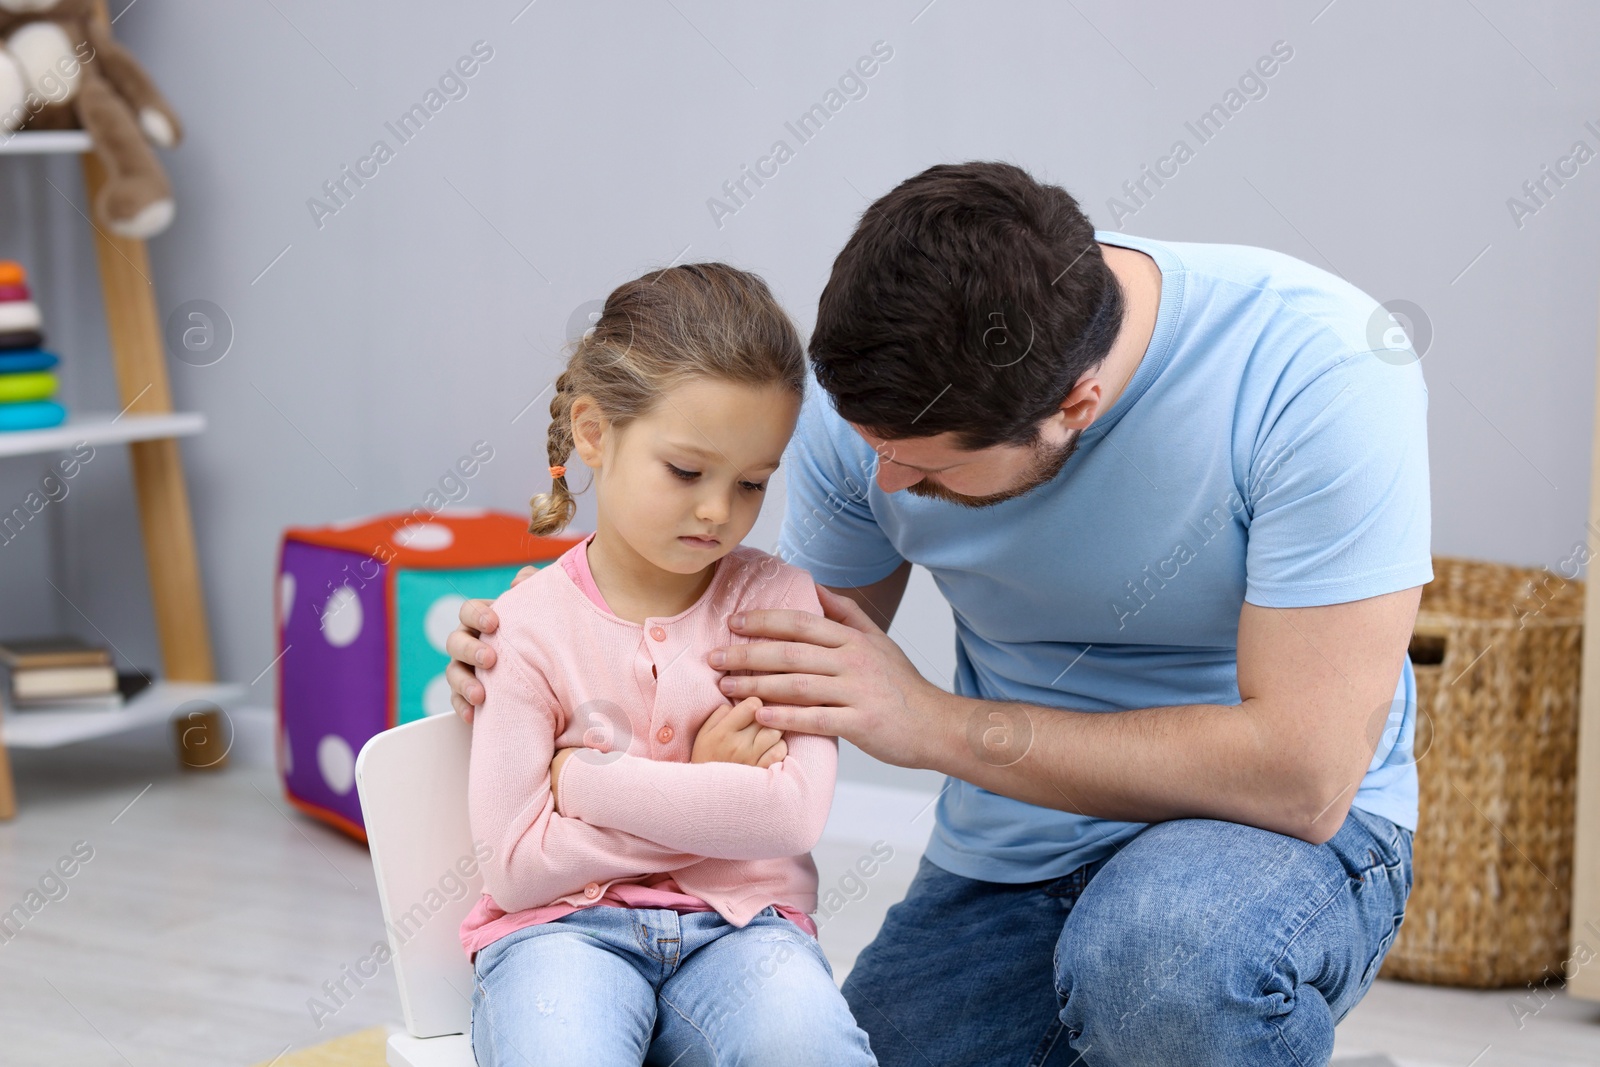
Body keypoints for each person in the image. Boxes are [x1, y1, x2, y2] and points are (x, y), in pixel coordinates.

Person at [449, 162, 1428, 1066]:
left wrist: (932, 724)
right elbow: (748, 657)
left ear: (1074, 407)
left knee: (1161, 964)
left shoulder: (1320, 369)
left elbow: (1303, 777)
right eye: (868, 442)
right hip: (1013, 852)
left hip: (1271, 839)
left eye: (924, 466)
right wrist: (525, 650)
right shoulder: (879, 401)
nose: (882, 481)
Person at [460, 262, 876, 1067]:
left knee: (807, 1045)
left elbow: (789, 817)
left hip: (745, 927)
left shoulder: (781, 603)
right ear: (594, 432)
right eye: (686, 471)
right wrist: (710, 789)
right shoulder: (526, 626)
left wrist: (588, 785)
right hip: (561, 931)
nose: (719, 510)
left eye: (753, 482)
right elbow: (515, 870)